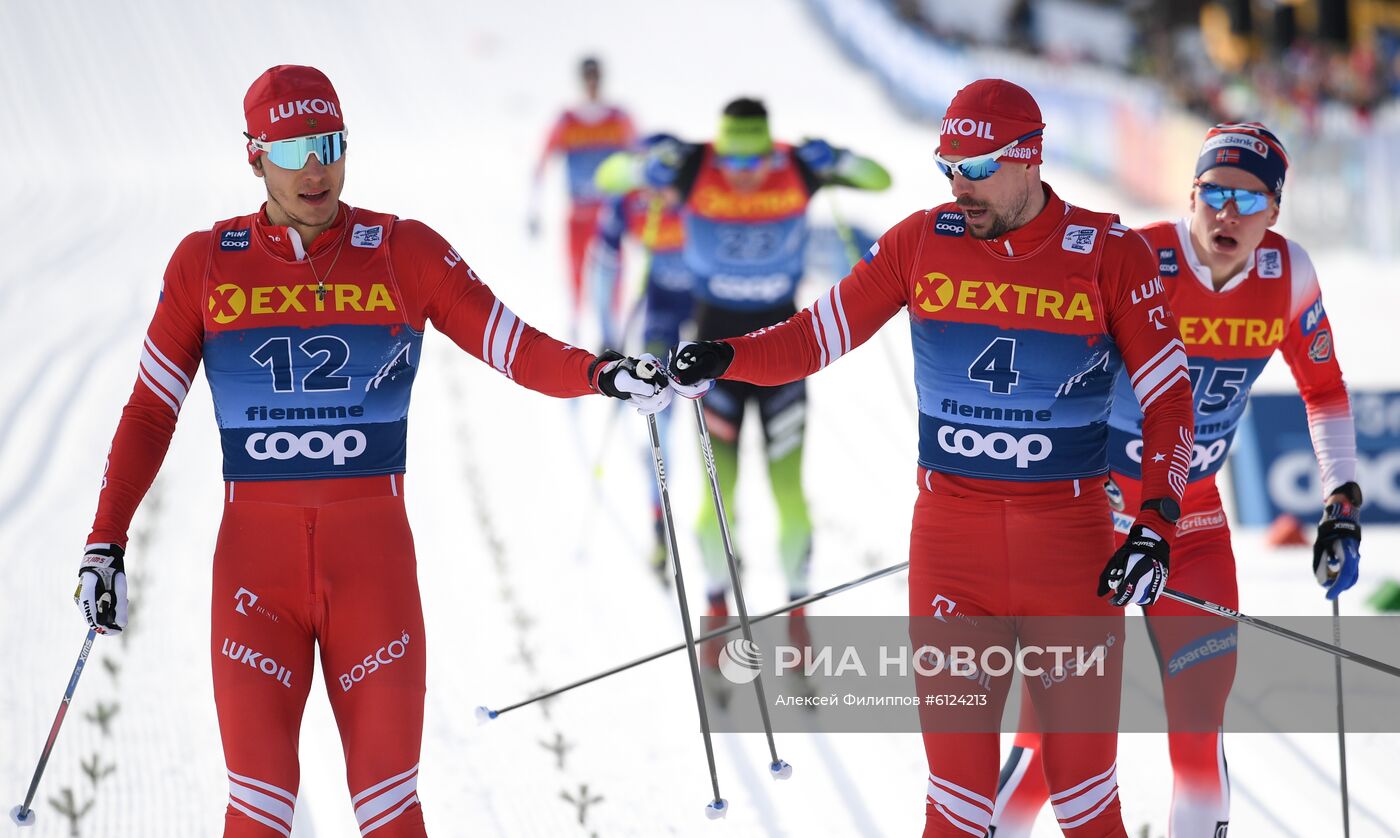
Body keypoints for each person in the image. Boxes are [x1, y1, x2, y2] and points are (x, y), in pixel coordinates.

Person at [71, 65, 668, 838]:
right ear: (253, 155)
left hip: (372, 572)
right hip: (256, 575)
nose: (315, 167)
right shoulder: (205, 262)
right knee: (256, 809)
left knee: (390, 811)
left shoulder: (402, 250)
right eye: (292, 149)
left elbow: (515, 347)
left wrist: (604, 373)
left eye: (329, 143)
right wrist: (104, 542)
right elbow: (151, 410)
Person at [667, 78, 1197, 837]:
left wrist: (1155, 525)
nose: (960, 186)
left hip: (1072, 551)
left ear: (1030, 158)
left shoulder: (1112, 254)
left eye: (978, 168)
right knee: (954, 808)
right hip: (953, 547)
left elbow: (1170, 398)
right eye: (948, 165)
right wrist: (724, 356)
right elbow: (816, 335)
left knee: (1086, 807)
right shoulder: (923, 239)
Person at [989, 122, 1362, 838]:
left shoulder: (1290, 277)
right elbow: (1037, 355)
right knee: (1051, 747)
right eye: (1215, 193)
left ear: (1275, 212)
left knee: (1198, 736)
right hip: (1092, 519)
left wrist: (1339, 502)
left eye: (1250, 201)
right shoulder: (1139, 257)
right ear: (1191, 193)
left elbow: (1323, 389)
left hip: (1190, 520)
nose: (1229, 213)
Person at [610, 97, 892, 649]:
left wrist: (837, 157)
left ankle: (797, 610)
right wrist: (648, 167)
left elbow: (879, 179)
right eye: (733, 165)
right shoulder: (693, 163)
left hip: (784, 355)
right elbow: (610, 176)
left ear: (770, 149)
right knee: (721, 494)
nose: (743, 177)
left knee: (789, 492)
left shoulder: (797, 164)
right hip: (713, 360)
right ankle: (717, 606)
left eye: (754, 164)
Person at [591, 134, 698, 577]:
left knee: (724, 419)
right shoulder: (633, 202)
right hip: (659, 315)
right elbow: (605, 264)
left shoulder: (699, 192)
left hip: (707, 310)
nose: (662, 193)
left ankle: (729, 530)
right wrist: (607, 331)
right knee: (661, 415)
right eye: (654, 179)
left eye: (670, 181)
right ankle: (660, 527)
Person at [528, 56, 636, 340]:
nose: (592, 84)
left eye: (595, 77)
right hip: (578, 211)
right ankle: (575, 323)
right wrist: (533, 209)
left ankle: (611, 328)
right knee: (575, 269)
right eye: (588, 78)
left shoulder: (618, 118)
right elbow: (541, 162)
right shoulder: (567, 120)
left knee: (613, 270)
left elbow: (639, 159)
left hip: (610, 213)